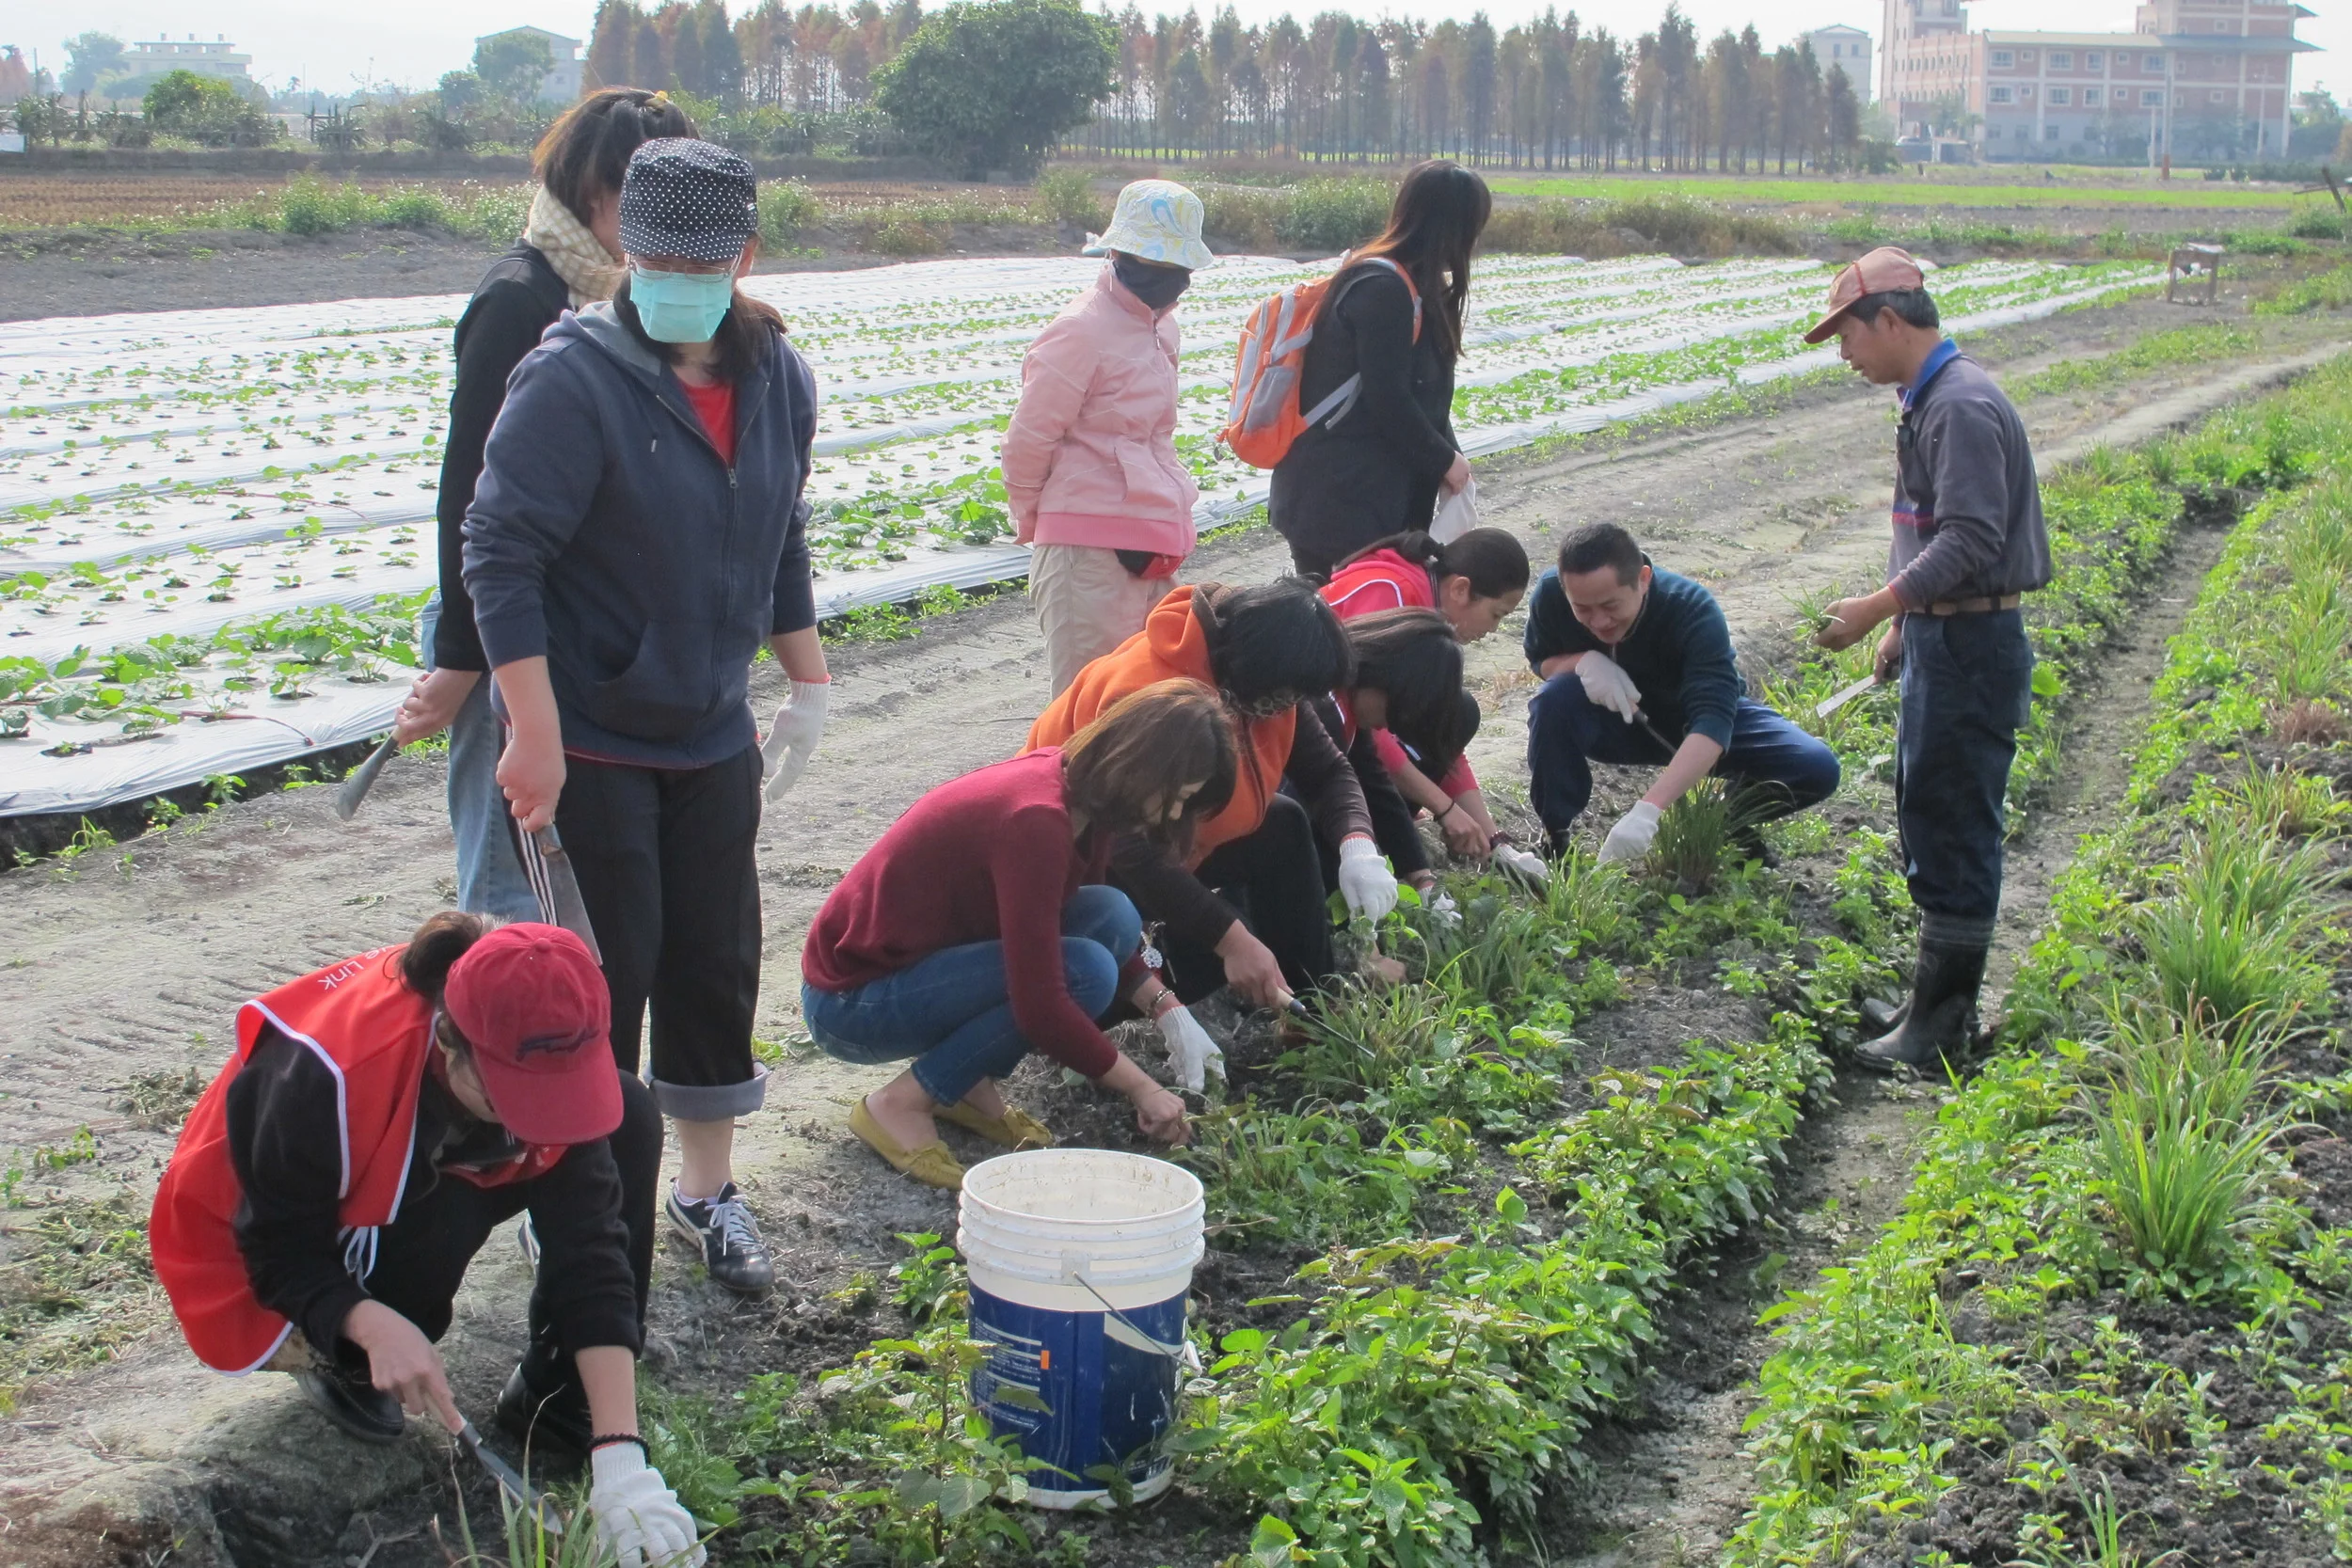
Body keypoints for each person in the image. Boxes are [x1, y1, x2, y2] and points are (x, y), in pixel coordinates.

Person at [465, 138, 830, 1296]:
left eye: (701, 258)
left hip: (709, 728)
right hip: (594, 734)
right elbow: (500, 551)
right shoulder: (571, 376)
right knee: (601, 978)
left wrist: (807, 678)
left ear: (745, 256)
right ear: (627, 248)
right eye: (656, 254)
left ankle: (706, 1192)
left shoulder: (779, 377)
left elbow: (778, 534)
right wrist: (531, 731)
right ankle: (582, 1204)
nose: (675, 274)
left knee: (714, 963)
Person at [149, 915, 706, 1568]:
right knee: (421, 1261)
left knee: (626, 1118)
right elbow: (274, 1249)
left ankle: (555, 1401)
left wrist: (620, 1453)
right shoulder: (327, 1073)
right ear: (449, 1040)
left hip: (400, 1174)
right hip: (259, 1249)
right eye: (514, 1103)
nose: (537, 1131)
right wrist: (370, 1323)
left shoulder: (534, 1033)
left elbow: (592, 1247)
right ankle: (342, 1357)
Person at [393, 89, 699, 921]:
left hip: (587, 629)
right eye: (634, 199)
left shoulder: (640, 306)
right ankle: (490, 1044)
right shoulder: (520, 300)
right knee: (507, 877)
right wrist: (463, 656)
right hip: (508, 622)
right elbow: (473, 500)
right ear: (588, 191)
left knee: (577, 878)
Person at [803, 682, 1232, 1188]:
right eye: (1177, 798)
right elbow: (1040, 1001)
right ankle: (899, 1103)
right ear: (1140, 766)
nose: (1175, 816)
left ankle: (964, 1088)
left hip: (915, 965)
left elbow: (1063, 922)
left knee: (1112, 914)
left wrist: (1166, 1007)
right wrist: (1142, 1088)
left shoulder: (1078, 797)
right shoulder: (1037, 822)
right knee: (1084, 974)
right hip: (851, 1001)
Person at [1804, 247, 2050, 1071]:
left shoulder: (1960, 406)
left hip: (1972, 646)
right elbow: (1935, 531)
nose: (1845, 354)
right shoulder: (1932, 399)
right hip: (1944, 635)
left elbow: (1973, 537)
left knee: (1951, 818)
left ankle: (1941, 1026)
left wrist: (1880, 605)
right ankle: (1930, 1000)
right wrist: (1906, 626)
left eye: (1848, 336)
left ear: (1890, 320)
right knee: (1928, 805)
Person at [1025, 579, 1395, 1007]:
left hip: (1174, 841)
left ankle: (1309, 1009)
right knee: (1178, 963)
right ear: (1256, 671)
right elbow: (1127, 841)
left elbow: (1328, 771)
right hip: (1085, 860)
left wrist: (1357, 846)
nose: (1289, 707)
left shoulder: (1264, 687)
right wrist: (1231, 939)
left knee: (1284, 824)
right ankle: (1134, 998)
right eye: (1285, 696)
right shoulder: (1151, 694)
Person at [1003, 180, 1214, 695]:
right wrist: (1037, 517)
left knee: (1150, 707)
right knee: (1089, 708)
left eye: (1174, 267)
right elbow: (1028, 439)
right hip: (1086, 552)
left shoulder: (1164, 330)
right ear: (1116, 253)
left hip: (1156, 540)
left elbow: (1156, 438)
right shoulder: (1080, 331)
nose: (1165, 278)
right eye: (1150, 262)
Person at [1524, 522, 1840, 863]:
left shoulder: (1691, 609)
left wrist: (1648, 811)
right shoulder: (1552, 595)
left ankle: (1725, 818)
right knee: (1553, 699)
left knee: (1815, 766)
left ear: (1643, 579)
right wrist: (1583, 661)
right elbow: (1541, 660)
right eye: (1582, 609)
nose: (1599, 622)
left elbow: (1714, 720)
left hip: (1688, 721)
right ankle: (1555, 839)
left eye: (1611, 606)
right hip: (1613, 723)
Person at [1268, 160, 1492, 580]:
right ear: (1453, 227)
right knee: (1352, 628)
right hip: (1342, 502)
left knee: (1364, 625)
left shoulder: (1412, 287)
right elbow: (1388, 398)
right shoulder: (1382, 289)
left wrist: (1450, 457)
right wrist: (1443, 459)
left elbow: (1425, 398)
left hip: (1364, 498)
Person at [1323, 527, 1544, 880]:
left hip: (1347, 736)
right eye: (1497, 614)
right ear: (1460, 589)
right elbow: (1369, 727)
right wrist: (1444, 808)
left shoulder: (1426, 615)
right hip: (1324, 735)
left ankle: (1393, 835)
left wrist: (1495, 838)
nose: (1492, 630)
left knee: (1459, 712)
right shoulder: (1390, 592)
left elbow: (1438, 738)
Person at [1312, 608, 1468, 911]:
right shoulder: (1326, 706)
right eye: (1395, 711)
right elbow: (1316, 819)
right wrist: (1365, 946)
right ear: (1382, 676)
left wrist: (1420, 875)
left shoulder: (1347, 707)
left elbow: (1376, 784)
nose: (1388, 727)